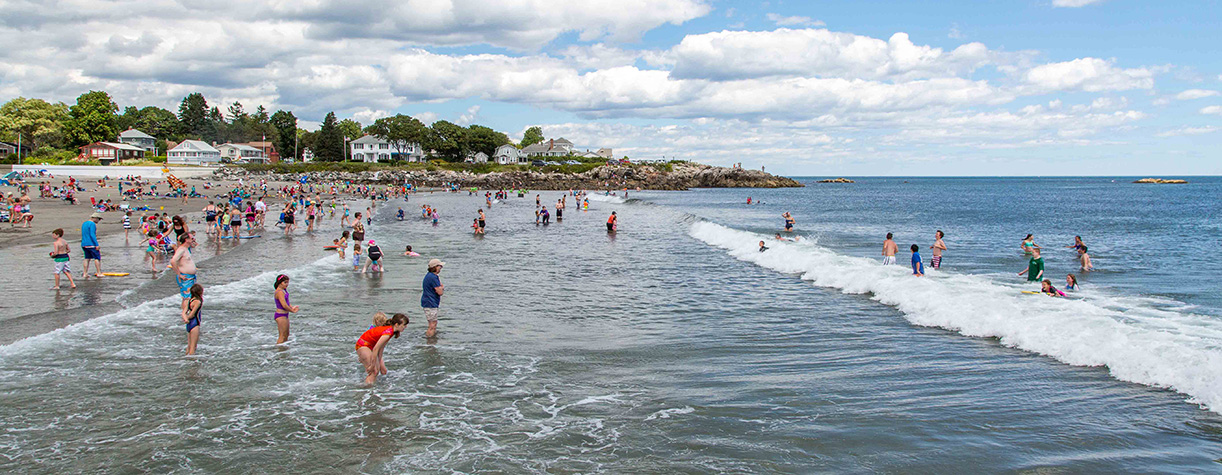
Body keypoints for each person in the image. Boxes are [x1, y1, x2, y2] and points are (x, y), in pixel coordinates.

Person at [355, 313, 409, 384]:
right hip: (363, 345)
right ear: (396, 325)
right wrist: (372, 365)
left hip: (368, 346)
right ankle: (366, 391)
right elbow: (376, 349)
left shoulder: (391, 331)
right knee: (373, 372)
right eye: (404, 325)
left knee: (376, 371)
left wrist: (380, 364)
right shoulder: (388, 332)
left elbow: (381, 349)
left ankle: (369, 390)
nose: (405, 327)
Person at [170, 232, 197, 314]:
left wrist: (193, 242)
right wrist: (179, 274)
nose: (194, 239)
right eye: (192, 238)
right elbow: (173, 261)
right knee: (187, 297)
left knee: (189, 296)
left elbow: (195, 245)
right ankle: (185, 314)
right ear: (186, 240)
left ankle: (186, 312)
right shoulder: (181, 250)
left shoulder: (186, 248)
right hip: (185, 277)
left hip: (190, 277)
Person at [422, 259, 445, 338]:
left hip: (428, 302)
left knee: (432, 323)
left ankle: (431, 340)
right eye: (440, 266)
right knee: (432, 325)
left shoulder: (429, 276)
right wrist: (442, 287)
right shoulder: (433, 277)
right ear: (435, 267)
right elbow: (440, 292)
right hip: (430, 303)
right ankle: (430, 342)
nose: (441, 268)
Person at [273, 274, 298, 344]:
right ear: (280, 282)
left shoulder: (283, 291)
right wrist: (292, 310)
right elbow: (284, 305)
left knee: (286, 335)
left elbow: (287, 303)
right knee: (282, 336)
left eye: (287, 282)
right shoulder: (280, 292)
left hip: (285, 315)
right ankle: (279, 350)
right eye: (285, 282)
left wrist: (291, 307)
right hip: (280, 315)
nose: (287, 284)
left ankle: (283, 351)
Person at [182, 284, 203, 355]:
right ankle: (192, 363)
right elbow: (192, 314)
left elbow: (183, 313)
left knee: (189, 346)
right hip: (195, 324)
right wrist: (188, 318)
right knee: (193, 347)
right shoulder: (198, 302)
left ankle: (185, 360)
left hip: (189, 324)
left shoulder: (190, 301)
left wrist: (186, 319)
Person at [81, 212, 103, 278]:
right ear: (95, 218)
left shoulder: (84, 223)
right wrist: (96, 244)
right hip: (91, 244)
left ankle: (85, 273)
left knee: (87, 258)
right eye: (98, 219)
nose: (99, 221)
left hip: (84, 244)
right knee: (97, 258)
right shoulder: (92, 224)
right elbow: (92, 234)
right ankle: (99, 272)